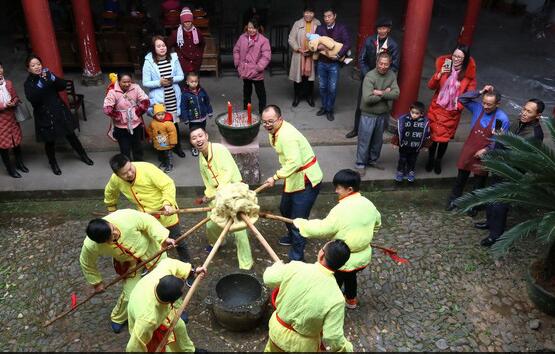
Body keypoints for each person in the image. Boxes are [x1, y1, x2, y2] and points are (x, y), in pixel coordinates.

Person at [293, 169, 381, 309]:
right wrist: (365, 237)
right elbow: (377, 223)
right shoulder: (369, 204)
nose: (336, 191)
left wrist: (303, 224)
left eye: (339, 188)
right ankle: (351, 300)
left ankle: (332, 304)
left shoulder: (341, 210)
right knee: (351, 276)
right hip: (362, 256)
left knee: (335, 280)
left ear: (350, 189)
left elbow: (323, 228)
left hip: (343, 258)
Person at [80, 209, 176, 333]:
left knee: (169, 283)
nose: (116, 233)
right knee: (129, 295)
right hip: (130, 265)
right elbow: (86, 262)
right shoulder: (90, 246)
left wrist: (164, 239)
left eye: (113, 228)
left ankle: (175, 311)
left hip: (152, 251)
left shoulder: (125, 216)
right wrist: (97, 283)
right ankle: (118, 318)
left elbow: (148, 221)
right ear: (102, 242)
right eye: (112, 237)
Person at [475, 98, 545, 247]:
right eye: (524, 109)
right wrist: (500, 135)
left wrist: (500, 139)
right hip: (501, 165)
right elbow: (507, 139)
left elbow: (515, 153)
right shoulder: (518, 121)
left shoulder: (534, 133)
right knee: (491, 194)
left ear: (538, 116)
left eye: (529, 112)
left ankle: (495, 235)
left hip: (512, 171)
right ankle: (489, 222)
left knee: (500, 203)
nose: (524, 113)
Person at [263, 240, 353, 352]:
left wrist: (277, 267)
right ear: (341, 265)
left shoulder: (295, 267)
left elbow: (268, 278)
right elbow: (332, 337)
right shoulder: (337, 298)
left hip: (276, 332)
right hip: (303, 347)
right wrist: (347, 349)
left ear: (321, 254)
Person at [104, 153, 191, 264]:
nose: (130, 174)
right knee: (148, 243)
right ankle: (153, 264)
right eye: (124, 174)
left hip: (165, 212)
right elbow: (110, 192)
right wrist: (112, 210)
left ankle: (189, 267)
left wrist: (167, 203)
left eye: (130, 168)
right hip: (145, 217)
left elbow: (167, 185)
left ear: (130, 163)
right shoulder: (115, 179)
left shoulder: (147, 168)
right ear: (117, 175)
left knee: (177, 240)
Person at [262, 105, 323, 261]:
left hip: (307, 179)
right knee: (285, 208)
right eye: (265, 122)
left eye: (271, 121)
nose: (267, 125)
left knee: (298, 219)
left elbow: (294, 162)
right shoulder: (274, 132)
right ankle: (294, 236)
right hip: (293, 177)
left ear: (280, 119)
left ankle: (297, 256)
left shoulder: (287, 136)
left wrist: (275, 177)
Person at [190, 127, 254, 270]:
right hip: (217, 195)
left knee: (239, 228)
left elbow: (229, 172)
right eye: (194, 138)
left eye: (200, 136)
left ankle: (246, 263)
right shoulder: (201, 157)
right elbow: (207, 180)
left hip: (233, 192)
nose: (198, 140)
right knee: (211, 224)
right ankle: (217, 243)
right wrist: (208, 195)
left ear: (206, 136)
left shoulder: (219, 149)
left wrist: (219, 192)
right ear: (191, 142)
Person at [24, 54, 93, 175]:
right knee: (49, 142)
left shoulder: (47, 76)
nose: (37, 67)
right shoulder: (28, 83)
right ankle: (53, 164)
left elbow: (62, 86)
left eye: (38, 64)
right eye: (33, 65)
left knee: (71, 135)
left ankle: (83, 155)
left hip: (58, 110)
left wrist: (53, 79)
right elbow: (32, 98)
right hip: (45, 114)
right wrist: (41, 84)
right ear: (28, 69)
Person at [446, 85, 510, 212]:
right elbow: (462, 98)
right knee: (461, 177)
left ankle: (473, 206)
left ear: (497, 104)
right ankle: (454, 201)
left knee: (479, 181)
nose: (485, 106)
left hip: (485, 151)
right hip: (470, 147)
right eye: (484, 103)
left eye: (489, 104)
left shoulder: (501, 119)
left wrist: (486, 150)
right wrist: (480, 92)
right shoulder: (477, 108)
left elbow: (499, 140)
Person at [126, 258, 207, 352]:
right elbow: (133, 347)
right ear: (172, 303)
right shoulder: (147, 321)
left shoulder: (163, 272)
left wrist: (193, 271)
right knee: (158, 344)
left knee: (179, 326)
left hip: (148, 299)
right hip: (141, 310)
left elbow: (171, 263)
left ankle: (189, 351)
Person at [426, 44, 477, 174]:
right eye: (454, 55)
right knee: (433, 136)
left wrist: (458, 107)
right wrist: (439, 74)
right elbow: (431, 86)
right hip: (437, 107)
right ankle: (430, 158)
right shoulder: (445, 66)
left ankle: (438, 160)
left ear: (465, 58)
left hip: (452, 111)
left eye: (460, 57)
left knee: (444, 139)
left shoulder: (468, 75)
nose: (456, 58)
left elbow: (469, 95)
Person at [346, 17, 400, 139]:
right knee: (362, 102)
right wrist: (368, 76)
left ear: (388, 30)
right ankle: (356, 129)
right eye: (380, 28)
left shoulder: (393, 45)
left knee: (381, 104)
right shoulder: (369, 40)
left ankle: (376, 131)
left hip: (384, 80)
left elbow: (395, 66)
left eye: (384, 28)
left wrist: (384, 79)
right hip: (368, 78)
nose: (381, 30)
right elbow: (361, 59)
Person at [355, 52, 400, 177]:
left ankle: (372, 160)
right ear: (376, 63)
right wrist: (385, 93)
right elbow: (368, 99)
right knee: (364, 140)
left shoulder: (391, 75)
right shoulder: (370, 76)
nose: (383, 66)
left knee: (377, 141)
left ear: (389, 64)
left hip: (382, 114)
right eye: (381, 63)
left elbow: (396, 94)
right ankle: (360, 163)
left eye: (386, 64)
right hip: (368, 114)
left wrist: (379, 93)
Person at [142, 35, 186, 158]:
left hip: (172, 96)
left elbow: (181, 76)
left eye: (164, 45)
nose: (162, 48)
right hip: (159, 100)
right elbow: (145, 82)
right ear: (154, 48)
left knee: (174, 124)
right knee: (160, 126)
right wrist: (159, 82)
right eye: (159, 46)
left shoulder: (173, 58)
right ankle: (163, 151)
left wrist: (172, 79)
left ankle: (177, 147)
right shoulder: (149, 62)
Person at [103, 72, 150, 162]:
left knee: (137, 146)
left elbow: (145, 100)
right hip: (120, 127)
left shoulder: (136, 87)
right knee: (124, 148)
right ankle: (127, 165)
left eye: (129, 81)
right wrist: (119, 117)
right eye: (124, 82)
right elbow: (107, 108)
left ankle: (139, 164)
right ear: (119, 81)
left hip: (135, 123)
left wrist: (138, 112)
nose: (127, 84)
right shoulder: (112, 91)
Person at [315, 7, 351, 122]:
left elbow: (347, 43)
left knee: (332, 88)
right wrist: (318, 46)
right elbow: (315, 43)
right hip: (321, 62)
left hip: (334, 64)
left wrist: (338, 55)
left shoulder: (341, 28)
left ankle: (329, 109)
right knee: (322, 87)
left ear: (335, 16)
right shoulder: (320, 28)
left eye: (329, 16)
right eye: (325, 16)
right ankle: (324, 107)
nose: (327, 19)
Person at [233, 18, 271, 115]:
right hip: (245, 71)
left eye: (254, 28)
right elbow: (236, 50)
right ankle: (246, 111)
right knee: (246, 91)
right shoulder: (242, 38)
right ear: (247, 27)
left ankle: (263, 112)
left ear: (257, 28)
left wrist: (258, 68)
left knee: (260, 93)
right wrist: (238, 64)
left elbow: (266, 56)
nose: (251, 30)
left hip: (256, 73)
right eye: (249, 27)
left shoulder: (263, 40)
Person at [288, 6, 321, 107]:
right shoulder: (297, 23)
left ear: (314, 14)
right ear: (303, 13)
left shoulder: (317, 24)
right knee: (298, 77)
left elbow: (321, 39)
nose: (308, 15)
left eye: (311, 12)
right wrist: (298, 49)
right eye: (306, 12)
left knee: (309, 78)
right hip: (299, 54)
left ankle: (309, 97)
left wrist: (312, 50)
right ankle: (297, 97)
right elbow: (291, 39)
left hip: (312, 55)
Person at [391, 101, 431, 183]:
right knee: (402, 159)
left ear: (421, 114)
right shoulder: (404, 120)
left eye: (417, 113)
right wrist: (395, 142)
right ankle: (400, 171)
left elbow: (427, 135)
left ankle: (410, 171)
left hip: (415, 147)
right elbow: (398, 132)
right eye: (412, 112)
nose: (414, 115)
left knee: (412, 160)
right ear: (409, 110)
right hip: (404, 146)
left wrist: (426, 146)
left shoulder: (424, 123)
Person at [0, 62, 27, 178]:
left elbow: (15, 96)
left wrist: (14, 101)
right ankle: (10, 169)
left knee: (16, 142)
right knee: (3, 146)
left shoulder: (9, 83)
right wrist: (5, 105)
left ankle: (19, 163)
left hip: (12, 118)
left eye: (0, 68)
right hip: (1, 121)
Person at [181, 72, 213, 157]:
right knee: (194, 134)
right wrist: (185, 118)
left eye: (196, 81)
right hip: (193, 119)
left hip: (203, 117)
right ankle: (194, 147)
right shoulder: (185, 95)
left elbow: (207, 101)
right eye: (192, 81)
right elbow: (183, 107)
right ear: (187, 82)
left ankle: (204, 146)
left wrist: (209, 111)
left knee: (202, 132)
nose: (194, 83)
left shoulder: (202, 91)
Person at [166, 7, 206, 75]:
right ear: (182, 22)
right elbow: (167, 45)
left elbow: (202, 44)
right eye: (185, 21)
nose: (187, 23)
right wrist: (174, 58)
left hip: (195, 62)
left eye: (189, 21)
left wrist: (199, 55)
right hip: (182, 63)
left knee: (195, 83)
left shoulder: (197, 32)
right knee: (182, 83)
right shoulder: (175, 34)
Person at [148, 104, 177, 172]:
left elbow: (172, 133)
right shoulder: (153, 123)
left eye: (162, 114)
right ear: (155, 115)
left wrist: (173, 142)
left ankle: (169, 165)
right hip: (159, 143)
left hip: (167, 144)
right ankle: (164, 163)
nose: (161, 116)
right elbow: (150, 131)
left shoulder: (168, 123)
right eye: (158, 115)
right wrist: (151, 138)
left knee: (168, 155)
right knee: (161, 154)